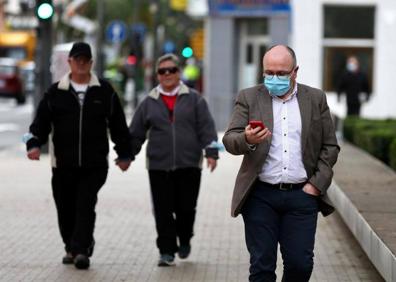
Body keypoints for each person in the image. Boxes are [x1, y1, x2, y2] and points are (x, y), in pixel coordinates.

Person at [223, 45, 340, 282]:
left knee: (300, 265)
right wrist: (247, 139)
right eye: (269, 72)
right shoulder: (249, 97)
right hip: (260, 196)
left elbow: (330, 146)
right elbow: (229, 140)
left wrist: (316, 185)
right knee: (262, 267)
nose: (274, 78)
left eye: (281, 73)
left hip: (302, 196)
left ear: (295, 71)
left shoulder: (315, 99)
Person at [25, 42, 132, 270]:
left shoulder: (105, 91)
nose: (81, 64)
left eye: (86, 60)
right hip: (63, 164)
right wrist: (34, 144)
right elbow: (40, 123)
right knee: (65, 208)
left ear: (91, 63)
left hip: (94, 164)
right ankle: (71, 246)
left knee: (85, 204)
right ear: (70, 62)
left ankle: (81, 250)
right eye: (77, 60)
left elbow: (119, 126)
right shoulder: (55, 92)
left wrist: (124, 153)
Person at [129, 53, 219, 267]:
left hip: (189, 164)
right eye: (162, 71)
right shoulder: (148, 102)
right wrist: (127, 155)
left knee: (186, 208)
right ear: (157, 75)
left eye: (171, 70)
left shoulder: (195, 99)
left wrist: (212, 153)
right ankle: (166, 250)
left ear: (178, 73)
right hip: (159, 165)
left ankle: (185, 238)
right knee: (162, 210)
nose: (167, 74)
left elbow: (206, 128)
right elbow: (136, 133)